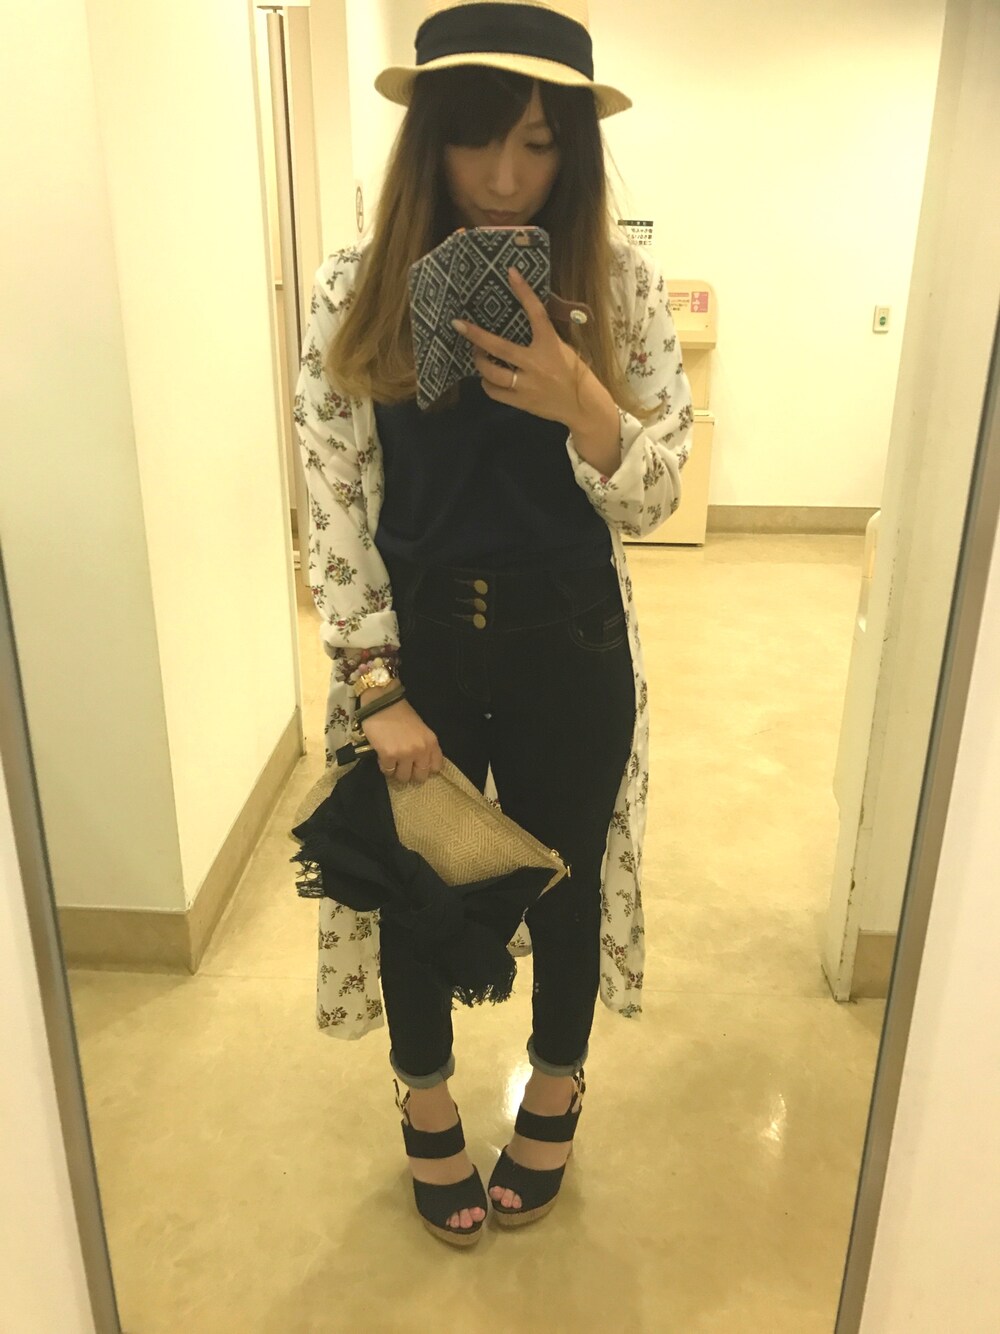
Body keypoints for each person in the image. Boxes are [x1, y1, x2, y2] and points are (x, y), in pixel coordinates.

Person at [293, 0, 693, 1246]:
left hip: (571, 638)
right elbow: (330, 494)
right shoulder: (353, 286)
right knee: (415, 883)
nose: (506, 178)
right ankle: (424, 1095)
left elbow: (659, 494)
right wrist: (376, 686)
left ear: (573, 148)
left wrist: (586, 406)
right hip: (415, 645)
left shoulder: (617, 284)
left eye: (537, 143)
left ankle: (555, 1085)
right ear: (430, 141)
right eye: (476, 140)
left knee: (563, 882)